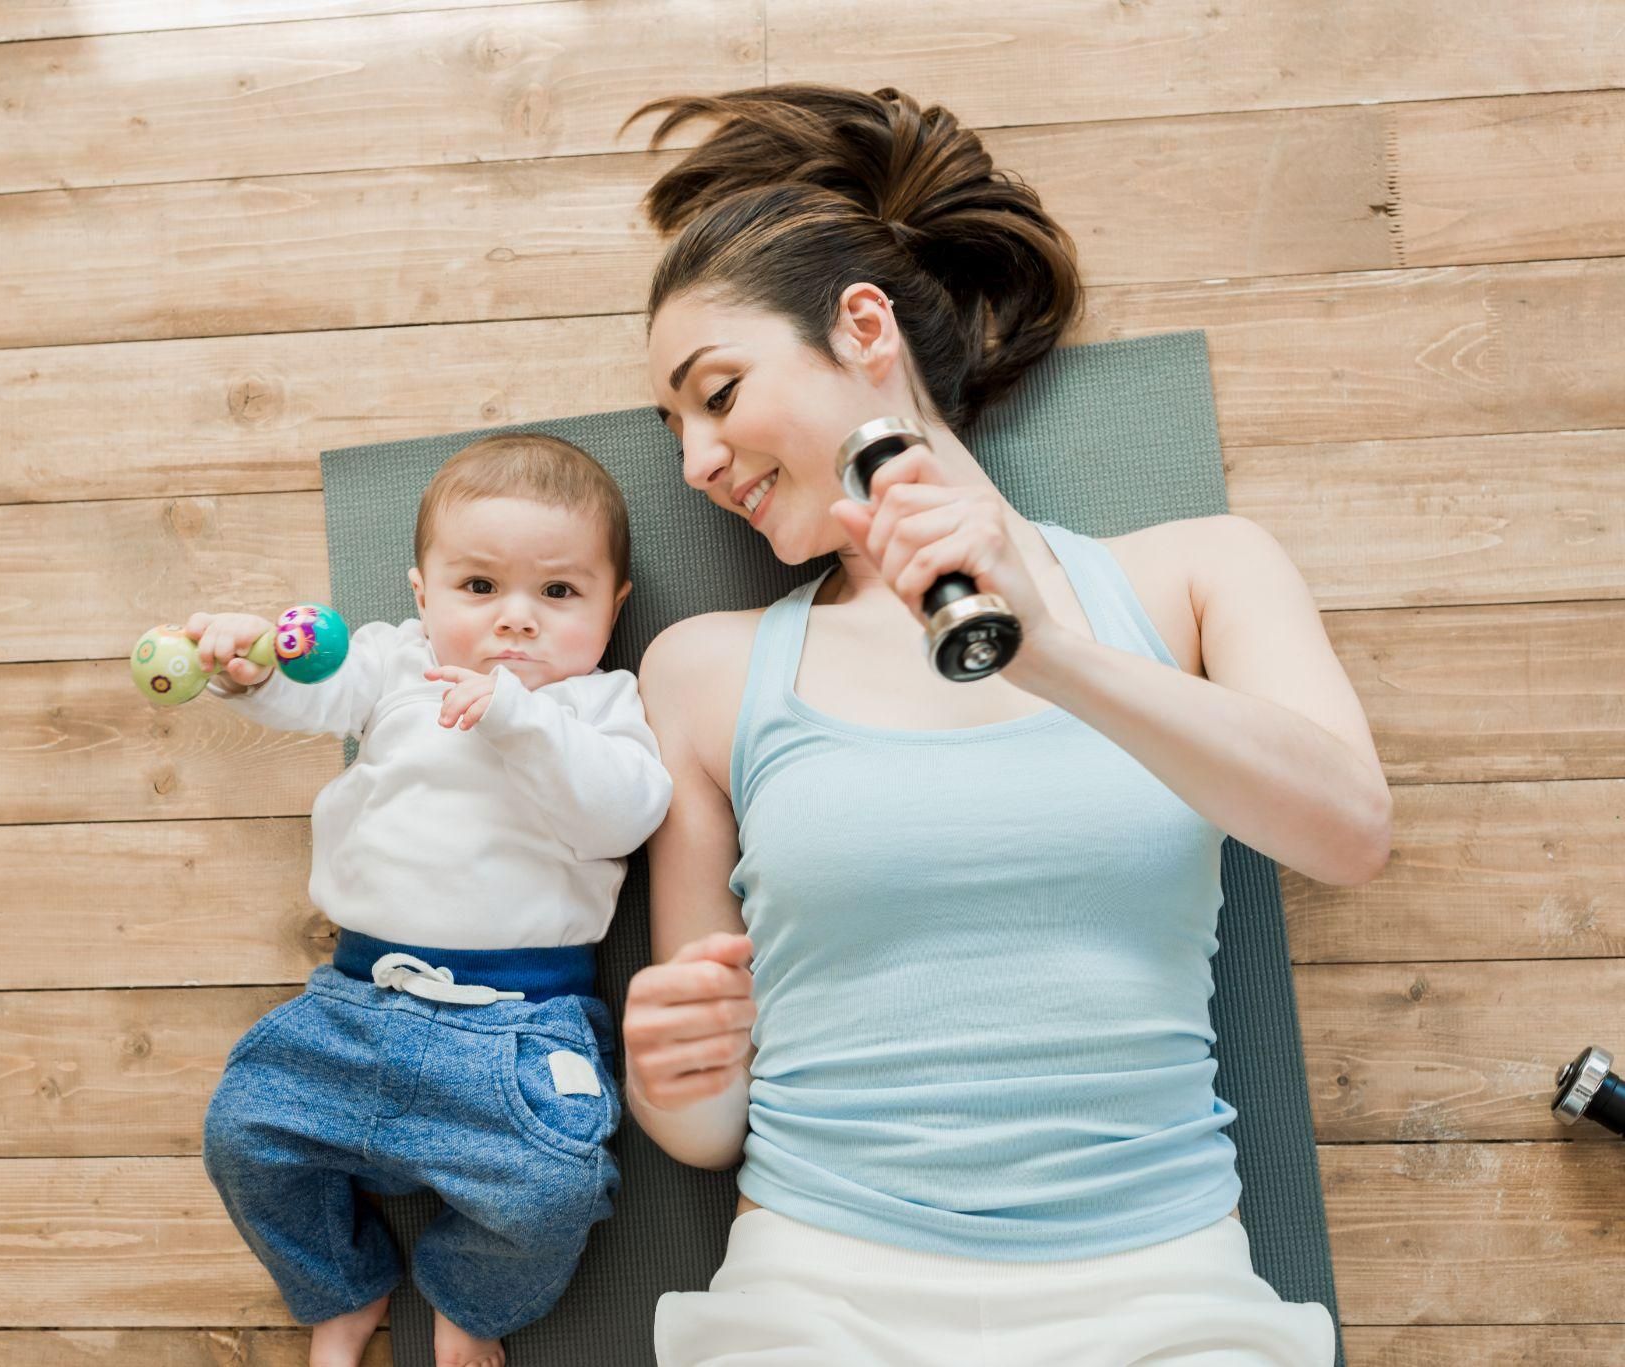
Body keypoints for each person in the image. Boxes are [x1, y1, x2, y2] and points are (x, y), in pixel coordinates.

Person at [616, 84, 1390, 1366]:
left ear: (862, 328)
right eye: (674, 428)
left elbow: (1348, 832)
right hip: (817, 1284)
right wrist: (669, 1070)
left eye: (715, 392)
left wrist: (1054, 653)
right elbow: (706, 1129)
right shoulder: (702, 669)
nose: (695, 458)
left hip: (1160, 1287)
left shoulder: (1198, 575)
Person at [194, 433, 673, 1367]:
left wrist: (517, 717)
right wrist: (250, 674)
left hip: (517, 1030)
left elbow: (625, 812)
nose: (517, 622)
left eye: (560, 593)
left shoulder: (598, 706)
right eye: (480, 588)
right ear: (423, 595)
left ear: (613, 608)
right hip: (352, 1003)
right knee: (243, 1132)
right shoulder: (398, 663)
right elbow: (320, 692)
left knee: (555, 1190)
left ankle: (467, 1295)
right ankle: (344, 1282)